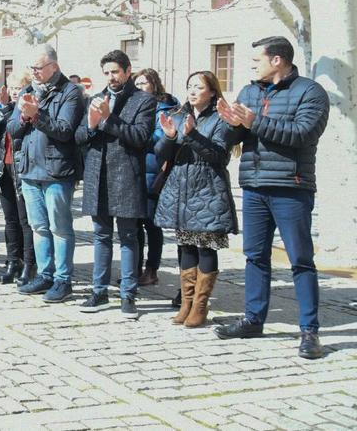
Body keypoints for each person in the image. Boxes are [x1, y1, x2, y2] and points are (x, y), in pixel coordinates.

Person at [215, 36, 329, 360]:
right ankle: (253, 320)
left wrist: (253, 121)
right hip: (253, 186)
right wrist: (231, 124)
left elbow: (301, 134)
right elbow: (235, 139)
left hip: (291, 188)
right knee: (254, 257)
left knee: (301, 260)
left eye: (257, 61)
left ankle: (310, 331)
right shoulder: (250, 92)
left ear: (277, 60)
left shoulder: (310, 92)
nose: (253, 67)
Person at [74, 50, 156, 319]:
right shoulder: (96, 98)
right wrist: (91, 124)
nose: (111, 77)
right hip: (98, 175)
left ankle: (128, 294)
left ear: (127, 71)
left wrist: (109, 120)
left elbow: (140, 137)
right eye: (107, 73)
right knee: (100, 235)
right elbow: (80, 137)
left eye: (115, 72)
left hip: (126, 175)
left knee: (129, 236)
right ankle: (98, 291)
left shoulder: (143, 100)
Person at [155, 71, 237, 329]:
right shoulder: (179, 115)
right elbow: (161, 155)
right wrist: (169, 137)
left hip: (208, 187)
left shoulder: (220, 119)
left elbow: (219, 155)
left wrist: (192, 135)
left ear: (212, 92)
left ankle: (200, 306)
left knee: (205, 245)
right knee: (185, 246)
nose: (192, 91)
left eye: (199, 87)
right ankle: (185, 303)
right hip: (181, 186)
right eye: (189, 86)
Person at [8, 44, 86, 303]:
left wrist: (36, 115)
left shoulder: (71, 92)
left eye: (38, 68)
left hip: (57, 171)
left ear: (54, 66)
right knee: (39, 227)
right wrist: (22, 117)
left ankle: (63, 280)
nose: (34, 73)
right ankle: (45, 274)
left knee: (59, 228)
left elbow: (64, 130)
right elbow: (11, 128)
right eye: (31, 68)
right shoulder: (29, 91)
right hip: (30, 170)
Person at [134, 68, 178, 288]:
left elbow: (162, 140)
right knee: (135, 223)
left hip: (153, 170)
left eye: (144, 83)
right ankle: (135, 268)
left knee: (151, 223)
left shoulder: (165, 108)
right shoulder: (134, 103)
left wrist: (137, 130)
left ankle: (152, 269)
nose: (141, 87)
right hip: (134, 170)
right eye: (138, 83)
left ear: (154, 84)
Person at [0, 70, 34, 285]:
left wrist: (8, 108)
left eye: (20, 87)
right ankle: (12, 260)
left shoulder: (26, 108)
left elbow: (16, 129)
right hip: (4, 167)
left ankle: (28, 263)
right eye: (13, 88)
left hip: (21, 168)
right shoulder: (8, 108)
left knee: (25, 221)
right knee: (10, 220)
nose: (16, 92)